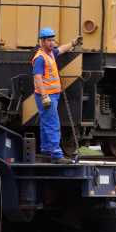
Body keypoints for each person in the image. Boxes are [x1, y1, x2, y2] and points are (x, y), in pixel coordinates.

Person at [32, 27, 81, 164]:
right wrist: (44, 96)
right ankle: (56, 154)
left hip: (52, 95)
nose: (52, 43)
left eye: (53, 40)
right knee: (53, 123)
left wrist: (73, 43)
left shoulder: (50, 54)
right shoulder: (41, 58)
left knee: (45, 123)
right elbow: (37, 77)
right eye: (49, 40)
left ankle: (47, 151)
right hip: (46, 96)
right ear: (42, 42)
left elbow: (62, 49)